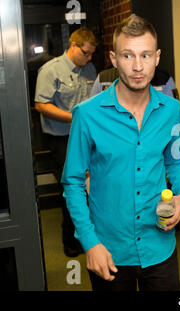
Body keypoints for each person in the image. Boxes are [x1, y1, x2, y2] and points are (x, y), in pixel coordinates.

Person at [61, 14, 180, 291]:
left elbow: (175, 164)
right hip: (108, 251)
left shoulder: (170, 110)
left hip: (160, 248)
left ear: (157, 57)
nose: (137, 66)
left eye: (145, 55)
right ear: (113, 58)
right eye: (127, 55)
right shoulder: (87, 115)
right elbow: (72, 183)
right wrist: (90, 242)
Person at [34, 28, 97, 257]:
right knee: (72, 189)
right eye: (86, 53)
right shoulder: (51, 70)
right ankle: (70, 240)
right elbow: (41, 105)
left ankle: (90, 237)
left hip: (88, 138)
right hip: (62, 139)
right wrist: (75, 117)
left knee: (93, 188)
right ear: (73, 46)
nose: (89, 58)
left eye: (92, 54)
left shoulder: (89, 69)